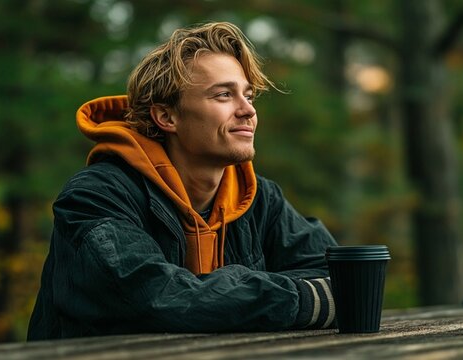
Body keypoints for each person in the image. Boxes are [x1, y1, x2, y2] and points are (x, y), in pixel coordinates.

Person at [27, 21, 338, 339]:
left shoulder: (259, 199)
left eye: (249, 96)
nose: (248, 111)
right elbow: (157, 298)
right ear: (167, 117)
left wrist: (233, 294)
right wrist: (298, 297)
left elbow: (345, 279)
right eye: (223, 95)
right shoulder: (95, 198)